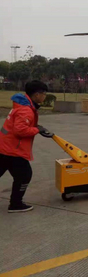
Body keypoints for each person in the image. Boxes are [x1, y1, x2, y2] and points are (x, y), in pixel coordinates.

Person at [0, 80, 48, 213]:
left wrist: (35, 127)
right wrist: (37, 130)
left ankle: (16, 202)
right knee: (24, 175)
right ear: (37, 94)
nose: (44, 96)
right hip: (13, 149)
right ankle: (15, 204)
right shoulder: (26, 110)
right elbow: (20, 130)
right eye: (44, 94)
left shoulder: (22, 105)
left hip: (4, 146)